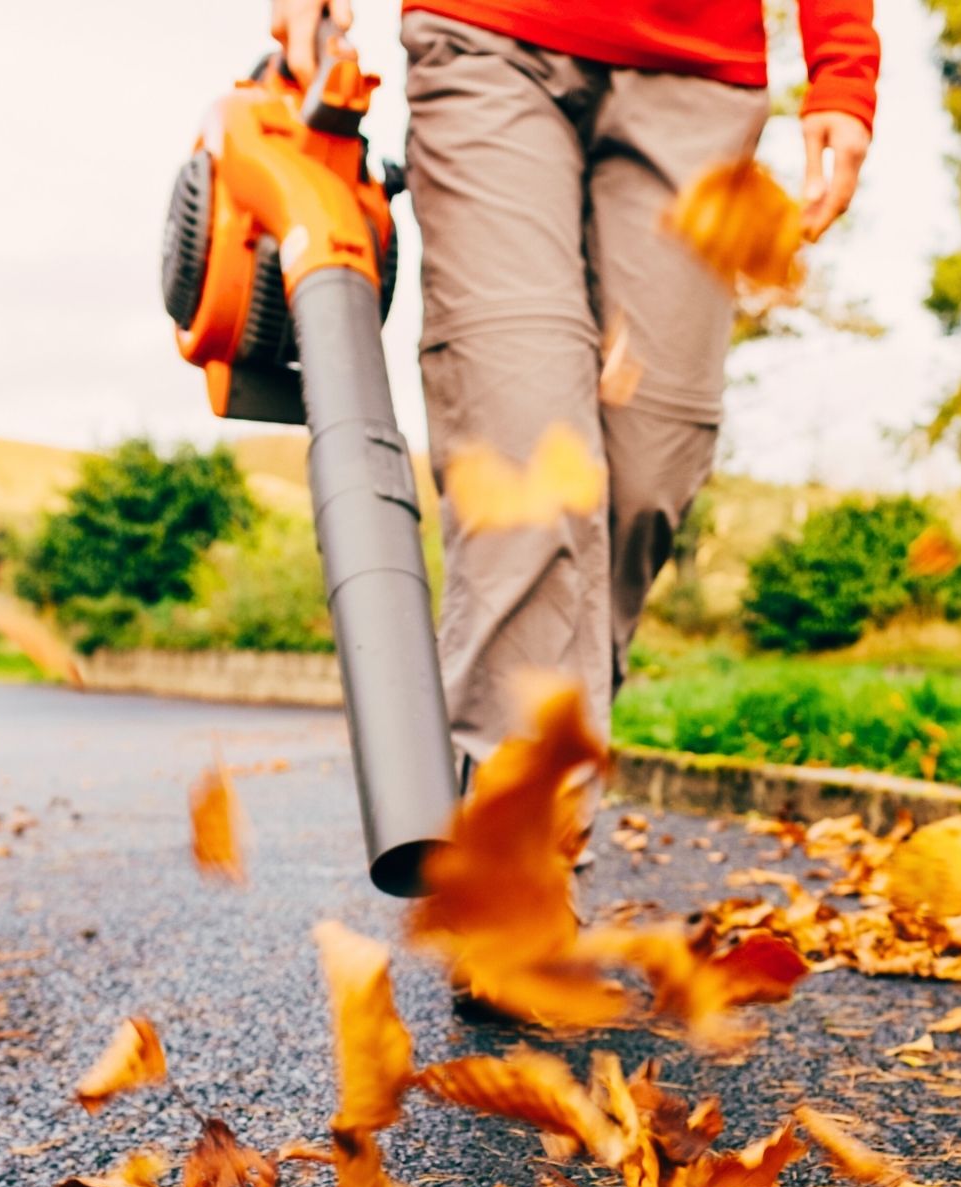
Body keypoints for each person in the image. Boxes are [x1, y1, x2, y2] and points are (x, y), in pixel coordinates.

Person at [271, 0, 879, 786]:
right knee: (533, 462)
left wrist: (843, 64)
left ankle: (535, 781)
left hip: (702, 71)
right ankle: (515, 858)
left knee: (651, 470)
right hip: (488, 38)